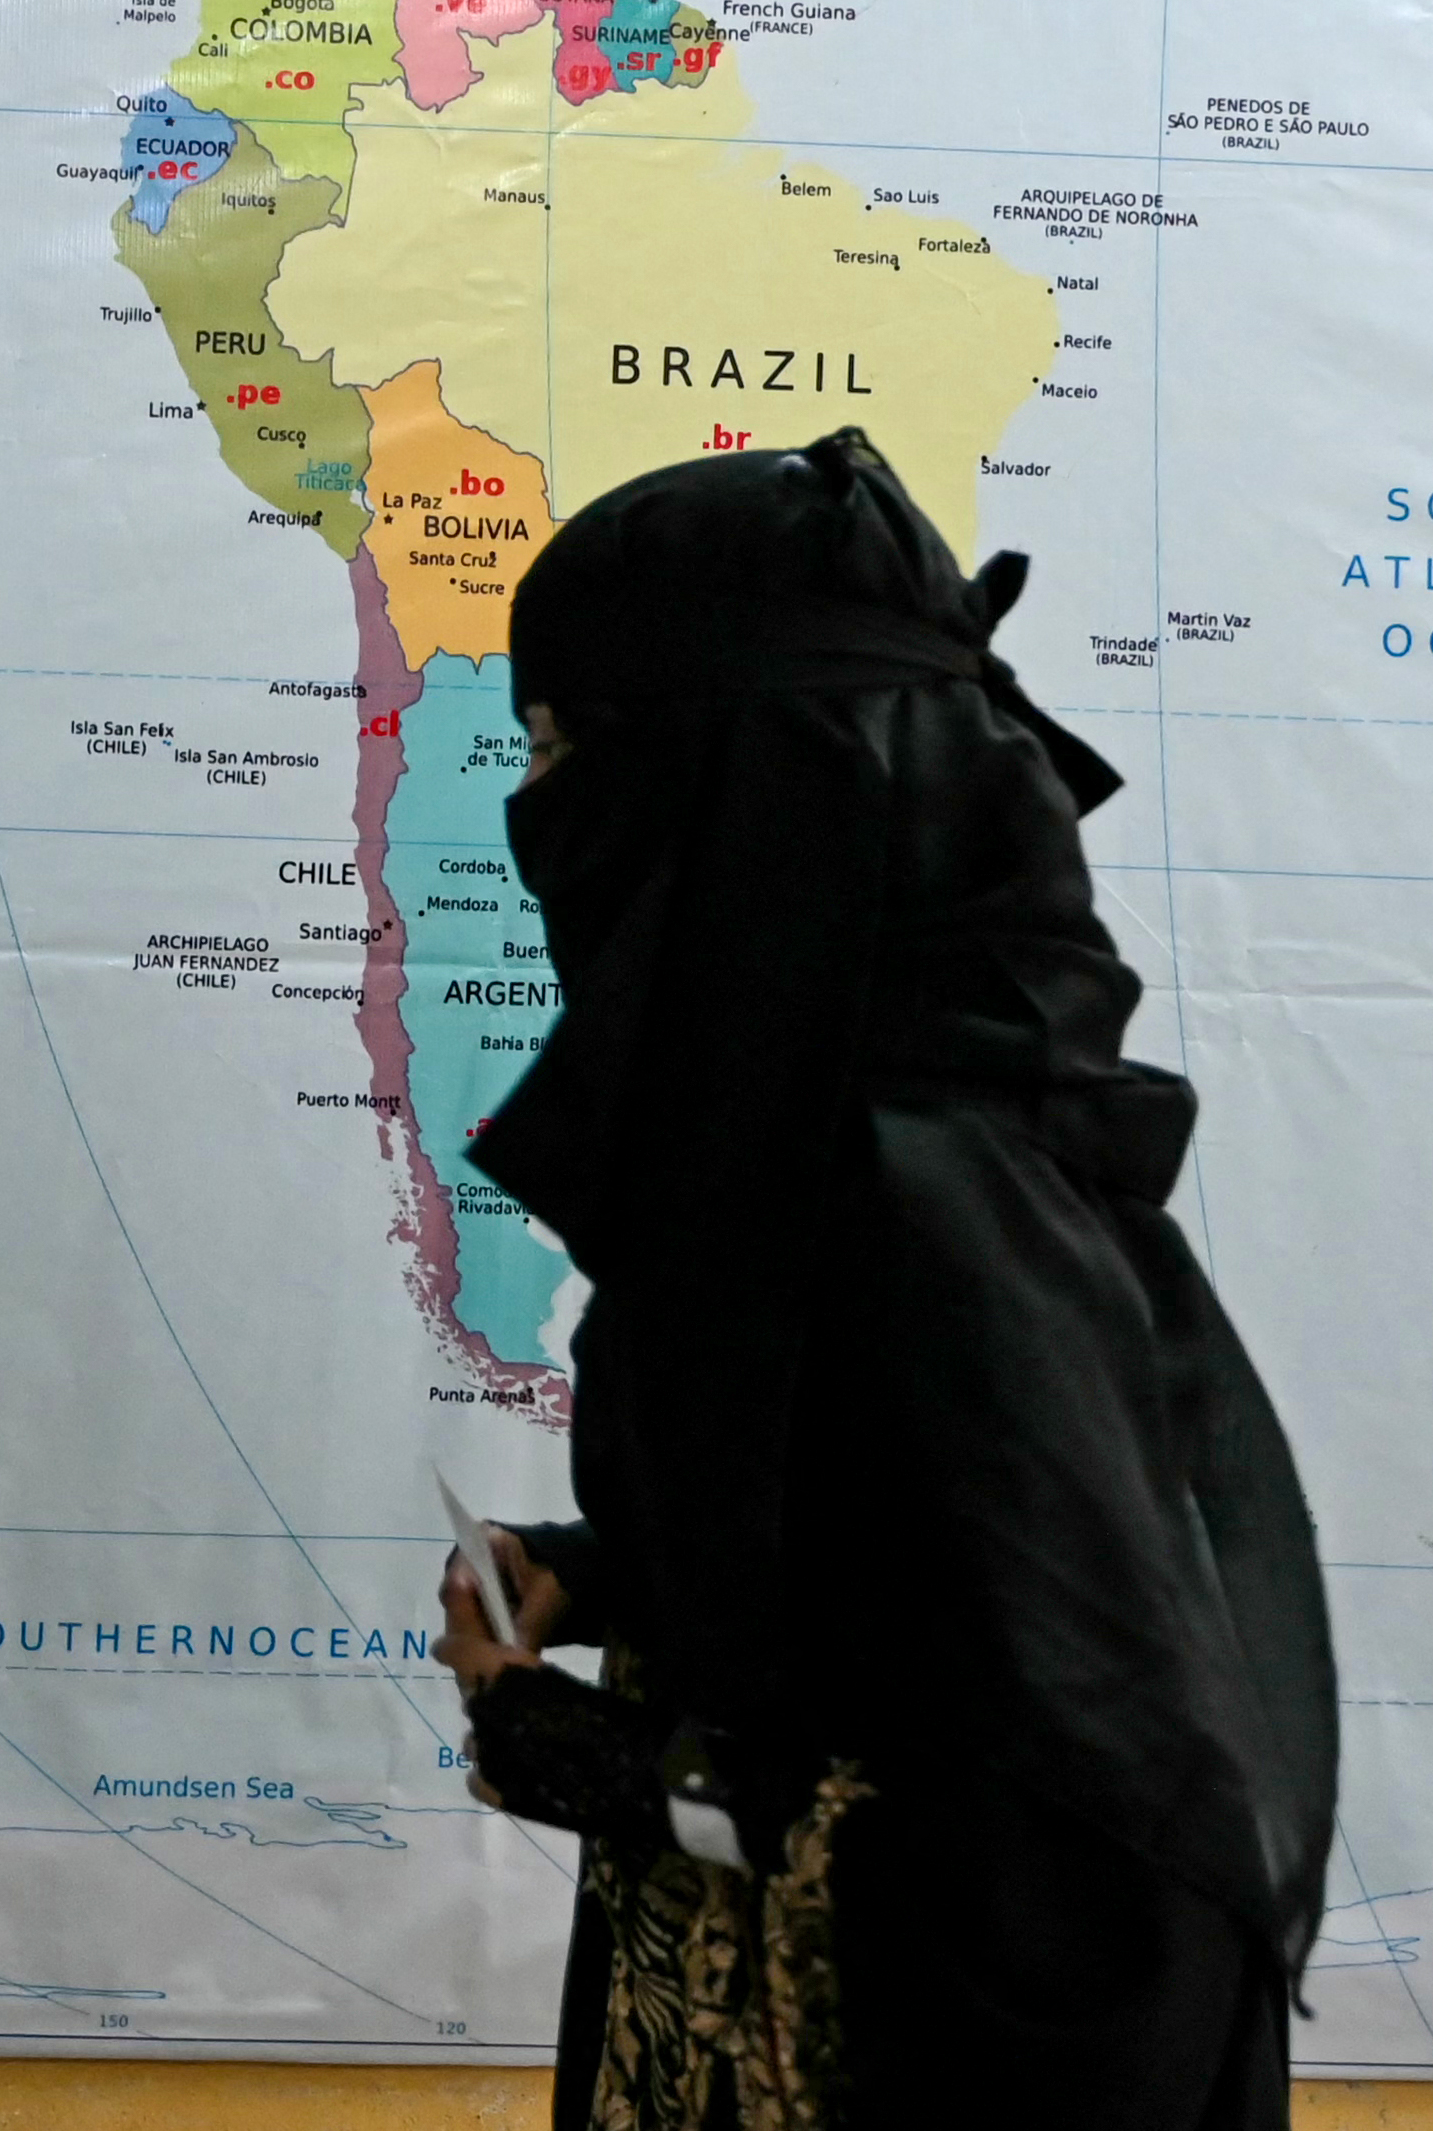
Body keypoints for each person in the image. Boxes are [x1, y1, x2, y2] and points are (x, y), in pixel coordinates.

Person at [427, 429, 1334, 2130]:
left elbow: (1061, 1851)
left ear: (733, 792)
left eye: (559, 747)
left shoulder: (921, 1204)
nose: (534, 807)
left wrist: (574, 1751)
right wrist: (607, 1572)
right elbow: (901, 1587)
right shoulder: (865, 1150)